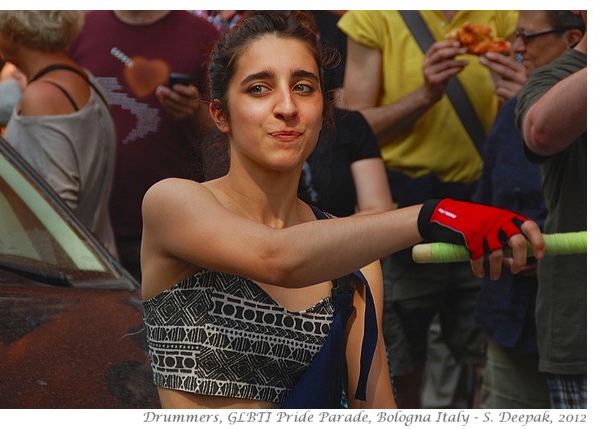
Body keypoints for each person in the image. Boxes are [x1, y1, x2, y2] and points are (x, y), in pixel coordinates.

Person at [139, 11, 544, 409]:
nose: (287, 107)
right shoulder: (172, 201)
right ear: (220, 114)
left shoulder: (355, 263)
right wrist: (435, 215)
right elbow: (276, 256)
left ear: (323, 109)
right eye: (259, 88)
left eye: (303, 87)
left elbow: (375, 405)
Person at [336, 10, 520, 408]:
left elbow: (521, 132)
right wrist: (425, 95)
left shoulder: (505, 15)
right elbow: (353, 125)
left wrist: (524, 97)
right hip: (404, 217)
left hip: (481, 209)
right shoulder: (374, 16)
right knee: (397, 367)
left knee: (491, 362)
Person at [473, 10, 585, 409]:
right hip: (513, 313)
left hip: (565, 314)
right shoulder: (516, 107)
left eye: (526, 37)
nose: (515, 48)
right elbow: (487, 202)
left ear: (574, 38)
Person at [69, 11, 220, 281]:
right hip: (91, 225)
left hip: (178, 227)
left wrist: (193, 111)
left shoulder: (203, 35)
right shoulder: (82, 28)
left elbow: (227, 125)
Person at [0, 10, 118, 257]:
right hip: (94, 257)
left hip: (57, 275)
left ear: (12, 33)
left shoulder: (43, 98)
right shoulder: (82, 77)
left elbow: (56, 209)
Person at [516, 10, 587, 410]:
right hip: (581, 323)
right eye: (516, 35)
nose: (515, 48)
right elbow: (541, 131)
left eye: (526, 36)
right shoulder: (553, 76)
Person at [298, 107, 392, 217]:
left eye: (302, 88)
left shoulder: (350, 123)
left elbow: (379, 211)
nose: (288, 108)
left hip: (350, 231)